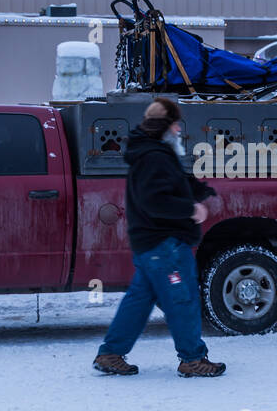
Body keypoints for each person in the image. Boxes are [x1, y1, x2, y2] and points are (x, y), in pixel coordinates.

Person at [94, 98, 225, 378]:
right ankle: (192, 358)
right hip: (164, 244)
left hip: (150, 245)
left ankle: (110, 354)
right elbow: (155, 201)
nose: (179, 130)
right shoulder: (154, 156)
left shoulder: (153, 152)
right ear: (164, 126)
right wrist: (191, 209)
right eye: (175, 124)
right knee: (183, 298)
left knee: (139, 301)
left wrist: (199, 191)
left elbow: (171, 183)